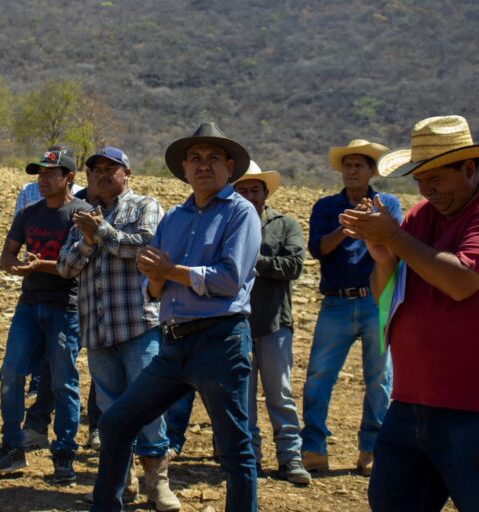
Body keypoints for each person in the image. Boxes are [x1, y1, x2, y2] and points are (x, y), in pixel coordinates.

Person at [90, 122, 261, 512]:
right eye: (196, 159)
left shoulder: (240, 213)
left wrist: (168, 273)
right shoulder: (174, 218)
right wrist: (155, 278)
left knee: (233, 448)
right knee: (115, 423)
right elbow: (153, 291)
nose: (203, 166)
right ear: (184, 169)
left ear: (229, 167)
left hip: (222, 339)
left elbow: (229, 280)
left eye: (213, 158)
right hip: (174, 341)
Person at [339, 116, 479, 511]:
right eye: (421, 179)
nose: (426, 188)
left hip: (469, 408)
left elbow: (462, 281)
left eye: (436, 177)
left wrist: (393, 236)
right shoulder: (420, 216)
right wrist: (383, 258)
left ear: (468, 169)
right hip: (410, 402)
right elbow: (385, 294)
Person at [57, 147, 176, 508]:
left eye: (112, 168)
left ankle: (158, 482)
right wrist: (90, 239)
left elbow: (145, 249)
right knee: (111, 408)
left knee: (149, 405)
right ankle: (122, 479)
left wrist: (101, 232)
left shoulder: (144, 206)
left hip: (138, 323)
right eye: (97, 169)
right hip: (97, 328)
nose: (103, 174)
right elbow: (65, 266)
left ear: (128, 173)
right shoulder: (82, 215)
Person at [301, 139, 401, 476]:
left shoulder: (387, 204)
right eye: (348, 165)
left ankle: (370, 448)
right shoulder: (326, 207)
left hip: (375, 301)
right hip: (336, 301)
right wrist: (346, 228)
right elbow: (319, 249)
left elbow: (394, 246)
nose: (352, 171)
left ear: (372, 171)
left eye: (359, 165)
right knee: (318, 376)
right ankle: (313, 447)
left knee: (379, 379)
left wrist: (370, 224)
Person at [0, 148, 87, 483]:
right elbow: (7, 253)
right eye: (40, 173)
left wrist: (38, 265)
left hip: (65, 309)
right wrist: (14, 265)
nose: (42, 179)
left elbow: (76, 266)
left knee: (64, 383)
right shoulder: (29, 213)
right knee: (11, 374)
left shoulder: (82, 214)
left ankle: (64, 454)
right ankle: (12, 447)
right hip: (28, 304)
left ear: (69, 178)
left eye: (50, 173)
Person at [232, 161, 311, 485]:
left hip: (276, 321)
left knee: (280, 393)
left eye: (255, 189)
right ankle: (249, 459)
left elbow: (294, 265)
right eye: (243, 190)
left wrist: (254, 262)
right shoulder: (229, 224)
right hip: (236, 324)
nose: (250, 195)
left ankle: (290, 458)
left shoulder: (285, 224)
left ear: (266, 193)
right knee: (243, 398)